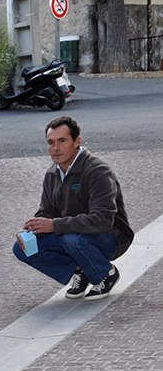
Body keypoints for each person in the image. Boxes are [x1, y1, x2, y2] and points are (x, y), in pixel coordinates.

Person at [13, 116, 134, 300]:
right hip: (73, 235)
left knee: (72, 239)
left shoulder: (97, 170)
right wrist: (29, 230)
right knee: (22, 248)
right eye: (51, 142)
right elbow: (47, 213)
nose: (56, 148)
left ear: (76, 141)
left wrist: (55, 225)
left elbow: (103, 220)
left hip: (111, 237)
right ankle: (81, 270)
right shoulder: (52, 174)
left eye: (62, 141)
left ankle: (106, 273)